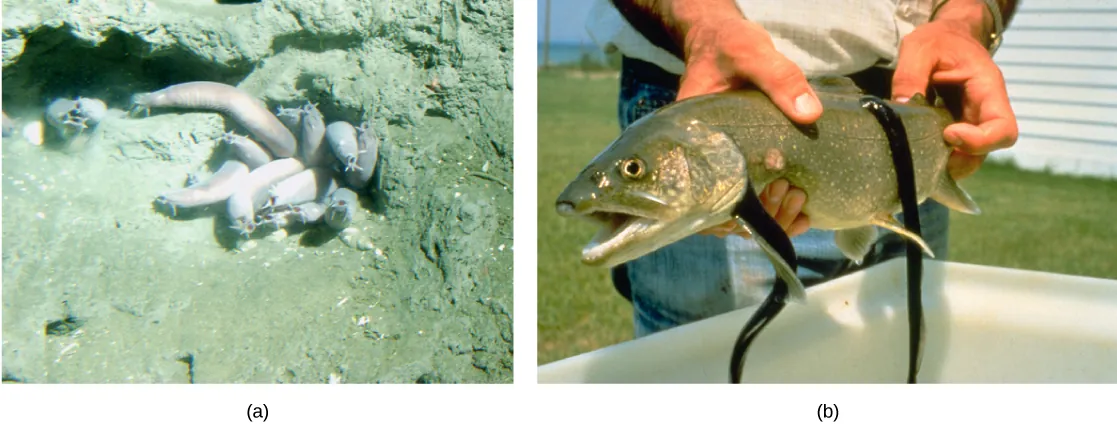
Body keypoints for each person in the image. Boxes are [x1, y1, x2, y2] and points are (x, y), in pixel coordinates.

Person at [585, 0, 1020, 336]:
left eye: (634, 172)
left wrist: (967, 19)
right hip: (705, 84)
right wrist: (704, 24)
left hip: (914, 110)